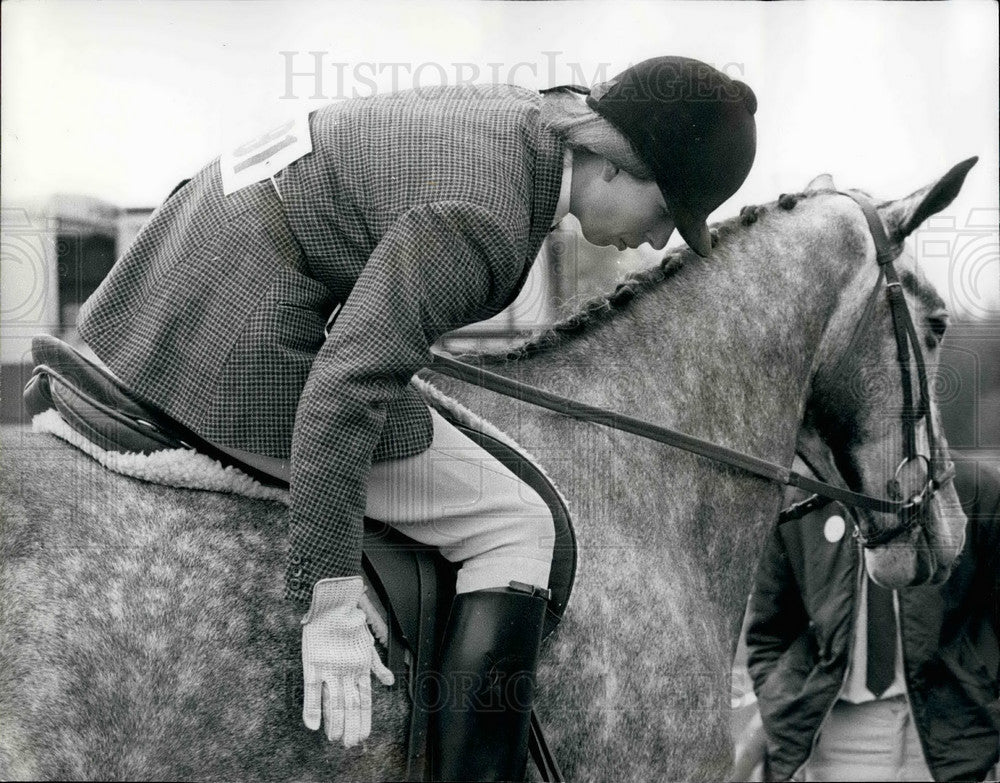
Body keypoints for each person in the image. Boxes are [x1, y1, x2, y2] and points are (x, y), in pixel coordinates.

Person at [75, 56, 757, 780]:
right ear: (618, 164)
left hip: (181, 271)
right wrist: (328, 599)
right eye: (667, 214)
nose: (657, 243)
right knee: (515, 524)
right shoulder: (490, 218)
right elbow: (344, 388)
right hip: (227, 332)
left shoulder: (519, 121)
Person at [745, 452, 1000, 782]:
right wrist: (784, 708)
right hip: (835, 737)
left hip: (952, 737)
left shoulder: (976, 489)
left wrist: (984, 710)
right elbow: (769, 634)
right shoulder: (800, 499)